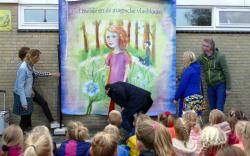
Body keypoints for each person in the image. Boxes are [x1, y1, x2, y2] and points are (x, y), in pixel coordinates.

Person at [18, 47, 61, 128]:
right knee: (25, 115)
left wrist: (51, 74)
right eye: (29, 53)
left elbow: (36, 74)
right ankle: (20, 132)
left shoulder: (30, 65)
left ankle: (51, 122)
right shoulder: (23, 67)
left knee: (41, 105)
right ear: (26, 55)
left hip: (29, 89)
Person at [197, 38, 231, 111]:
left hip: (220, 85)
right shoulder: (202, 57)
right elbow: (193, 66)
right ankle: (214, 122)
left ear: (211, 47)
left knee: (219, 107)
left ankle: (220, 122)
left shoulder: (220, 56)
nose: (203, 47)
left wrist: (228, 88)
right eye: (203, 45)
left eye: (206, 46)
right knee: (212, 107)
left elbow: (226, 72)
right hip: (210, 86)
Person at [104, 25, 131, 113]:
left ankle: (124, 118)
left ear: (121, 37)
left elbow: (127, 68)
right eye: (108, 37)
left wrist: (123, 81)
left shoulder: (125, 55)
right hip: (112, 83)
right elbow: (108, 70)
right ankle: (111, 118)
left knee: (122, 101)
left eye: (113, 36)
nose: (110, 39)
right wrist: (107, 83)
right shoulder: (110, 55)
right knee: (112, 100)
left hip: (121, 84)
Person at [13, 49, 41, 131]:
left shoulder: (30, 66)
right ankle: (19, 138)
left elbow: (28, 81)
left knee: (28, 117)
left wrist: (31, 89)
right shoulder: (23, 68)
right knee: (24, 119)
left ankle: (28, 137)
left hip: (27, 95)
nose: (39, 60)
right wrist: (24, 102)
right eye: (38, 58)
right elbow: (19, 87)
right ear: (34, 57)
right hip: (22, 96)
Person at [174, 51, 202, 117]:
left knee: (185, 122)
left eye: (184, 57)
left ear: (188, 59)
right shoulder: (196, 68)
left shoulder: (189, 70)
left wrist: (176, 98)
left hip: (188, 98)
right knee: (195, 120)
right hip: (197, 96)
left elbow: (182, 86)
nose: (182, 59)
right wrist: (179, 78)